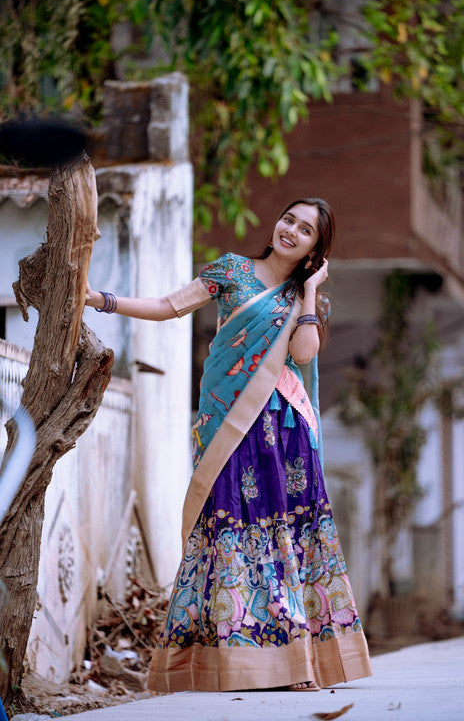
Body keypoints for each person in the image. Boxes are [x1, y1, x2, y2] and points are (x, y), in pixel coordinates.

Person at [86, 197, 372, 692]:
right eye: (288, 218)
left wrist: (308, 292)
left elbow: (303, 354)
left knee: (281, 535)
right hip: (227, 422)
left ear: (314, 251)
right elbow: (168, 307)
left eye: (305, 230)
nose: (290, 230)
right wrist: (100, 300)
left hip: (283, 428)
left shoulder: (307, 300)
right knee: (225, 528)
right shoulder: (231, 270)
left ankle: (295, 659)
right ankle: (229, 661)